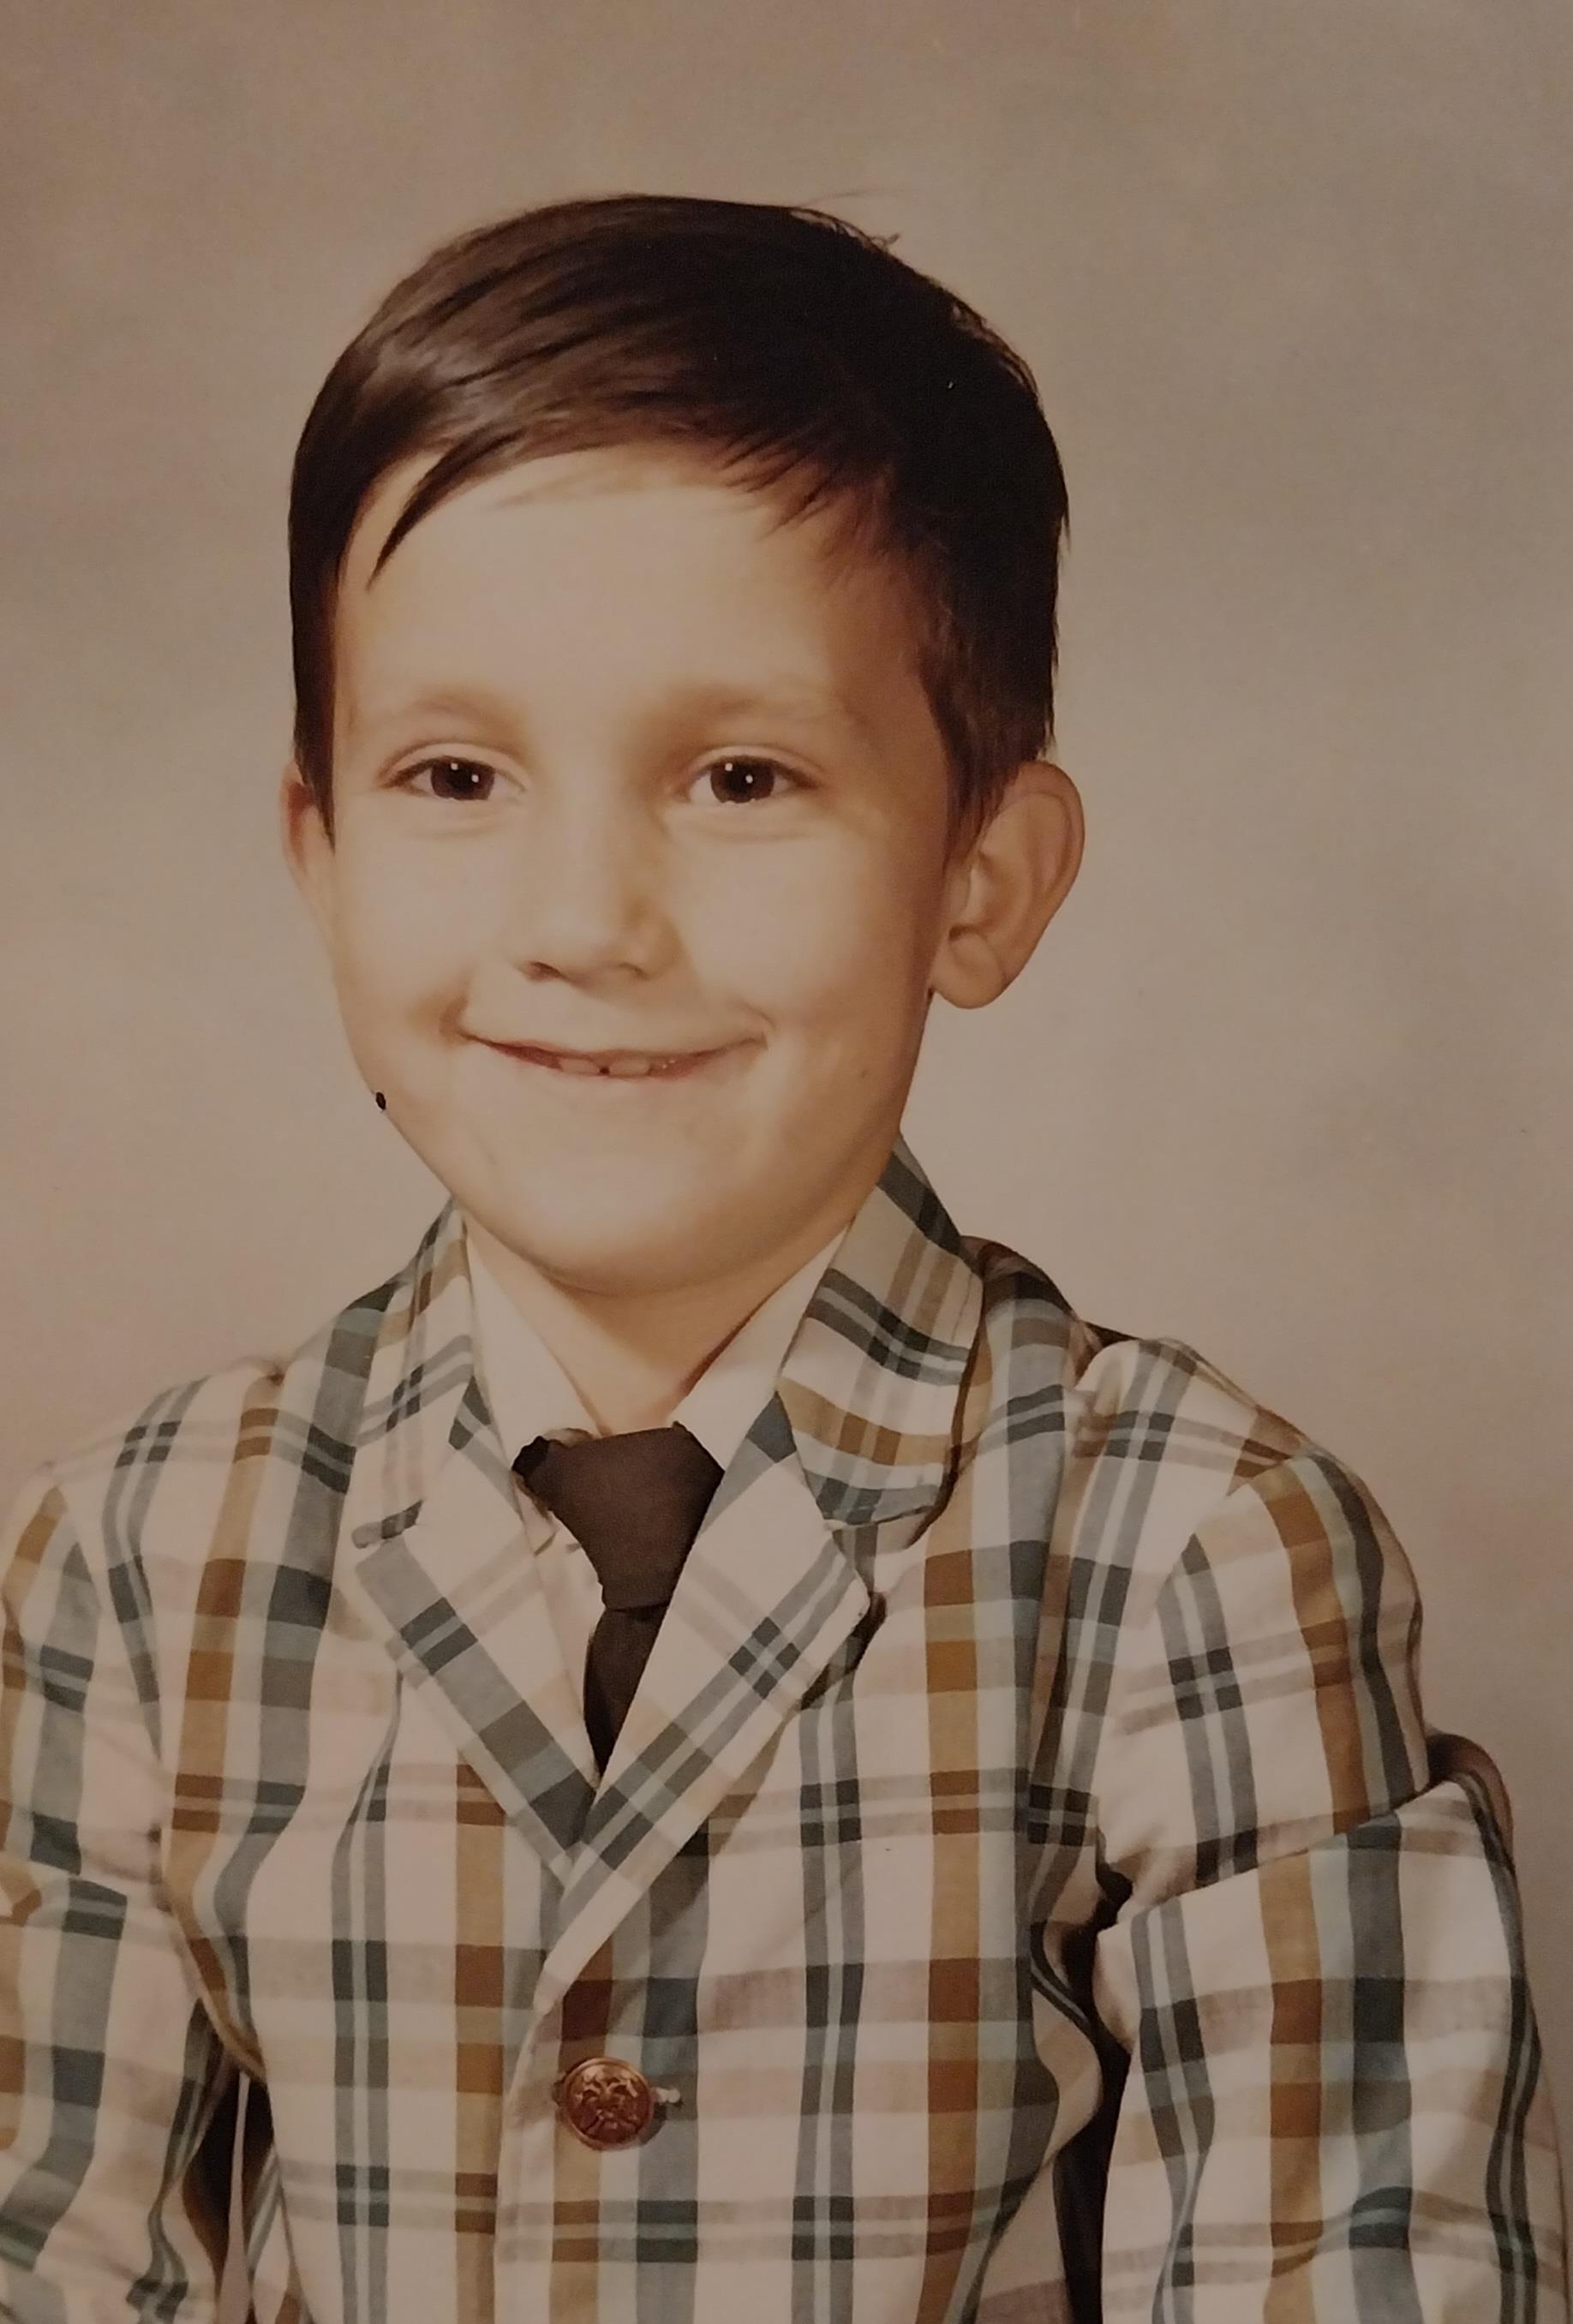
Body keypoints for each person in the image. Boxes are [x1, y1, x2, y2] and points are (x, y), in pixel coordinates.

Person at [0, 194, 1564, 2324]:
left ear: (982, 882)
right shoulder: (134, 1564)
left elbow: (1361, 2270)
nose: (585, 917)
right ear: (322, 851)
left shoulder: (1194, 1555)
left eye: (742, 776)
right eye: (455, 772)